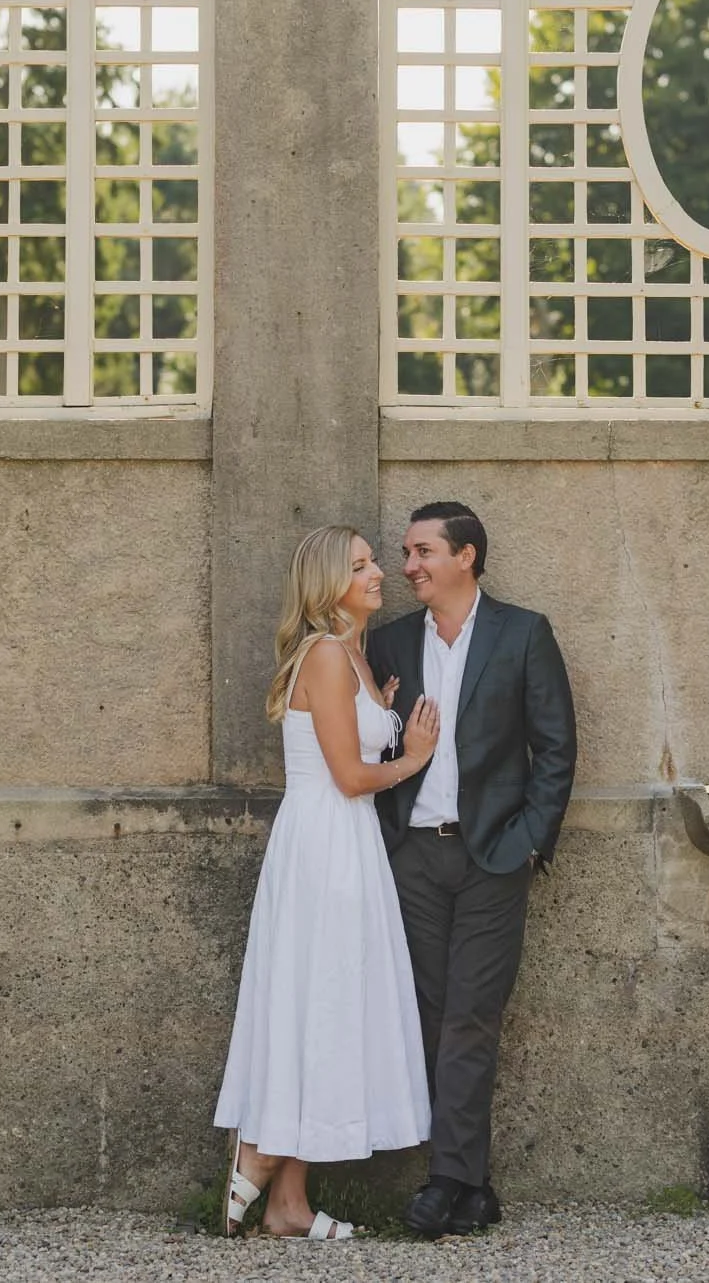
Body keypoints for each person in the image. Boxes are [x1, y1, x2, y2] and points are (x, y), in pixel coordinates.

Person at [213, 525, 443, 1239]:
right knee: (322, 999)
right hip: (327, 843)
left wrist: (388, 711)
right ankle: (260, 1150)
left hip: (348, 843)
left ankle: (288, 1202)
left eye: (377, 561)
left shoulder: (354, 655)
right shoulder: (326, 655)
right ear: (328, 583)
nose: (380, 573)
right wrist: (415, 757)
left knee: (326, 1003)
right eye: (364, 565)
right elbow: (348, 776)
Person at [367, 500, 578, 1237]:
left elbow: (555, 748)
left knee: (469, 1015)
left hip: (493, 855)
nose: (409, 565)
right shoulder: (389, 642)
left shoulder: (523, 633)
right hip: (414, 856)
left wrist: (528, 840)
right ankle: (473, 1188)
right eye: (405, 552)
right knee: (430, 1017)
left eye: (423, 550)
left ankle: (444, 1181)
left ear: (467, 556)